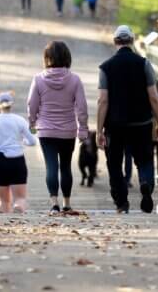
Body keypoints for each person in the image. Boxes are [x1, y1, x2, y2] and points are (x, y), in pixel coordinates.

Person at [97, 25, 158, 214]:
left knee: (114, 163)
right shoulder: (144, 64)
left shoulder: (105, 67)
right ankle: (145, 183)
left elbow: (103, 101)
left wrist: (100, 129)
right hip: (141, 123)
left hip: (115, 125)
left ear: (115, 42)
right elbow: (154, 97)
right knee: (144, 160)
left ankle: (121, 203)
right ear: (132, 41)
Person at [27, 41, 89, 214]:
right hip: (68, 130)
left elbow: (32, 104)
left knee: (51, 166)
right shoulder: (75, 79)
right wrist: (82, 128)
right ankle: (67, 204)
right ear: (67, 57)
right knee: (66, 167)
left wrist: (32, 122)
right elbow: (82, 107)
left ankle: (54, 204)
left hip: (46, 130)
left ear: (47, 58)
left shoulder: (38, 79)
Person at [0, 92, 37, 213]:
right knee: (20, 198)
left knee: (3, 201)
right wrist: (22, 141)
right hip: (17, 160)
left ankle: (4, 218)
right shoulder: (20, 120)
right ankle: (18, 207)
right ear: (11, 105)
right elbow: (32, 141)